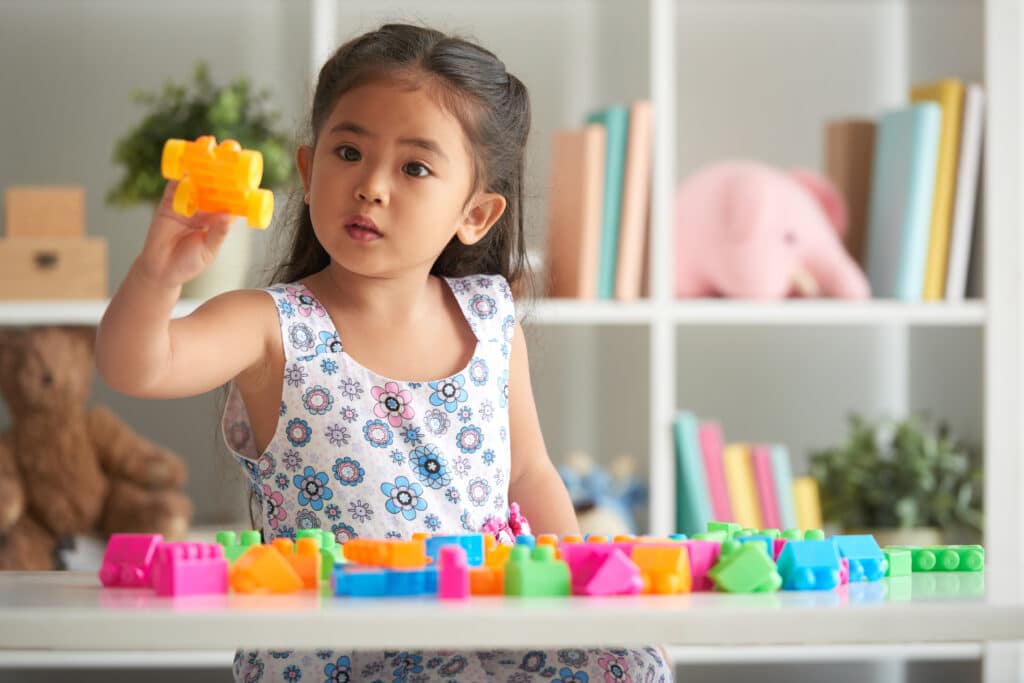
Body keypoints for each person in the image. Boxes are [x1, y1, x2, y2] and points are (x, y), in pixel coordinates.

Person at [96, 22, 673, 683]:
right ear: (308, 172)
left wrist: (580, 587)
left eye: (416, 167)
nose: (371, 184)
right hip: (333, 640)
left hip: (482, 625)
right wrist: (159, 273)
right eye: (348, 152)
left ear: (476, 214)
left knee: (630, 659)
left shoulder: (489, 318)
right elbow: (134, 366)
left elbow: (528, 474)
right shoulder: (270, 325)